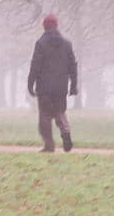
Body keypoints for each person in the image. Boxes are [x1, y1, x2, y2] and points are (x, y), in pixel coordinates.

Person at [26, 13, 78, 152]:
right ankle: (65, 130)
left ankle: (49, 145)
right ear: (56, 26)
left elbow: (35, 65)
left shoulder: (41, 44)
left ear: (45, 27)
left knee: (45, 115)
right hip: (61, 87)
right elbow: (72, 65)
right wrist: (73, 85)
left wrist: (30, 83)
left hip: (44, 87)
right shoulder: (67, 44)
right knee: (60, 112)